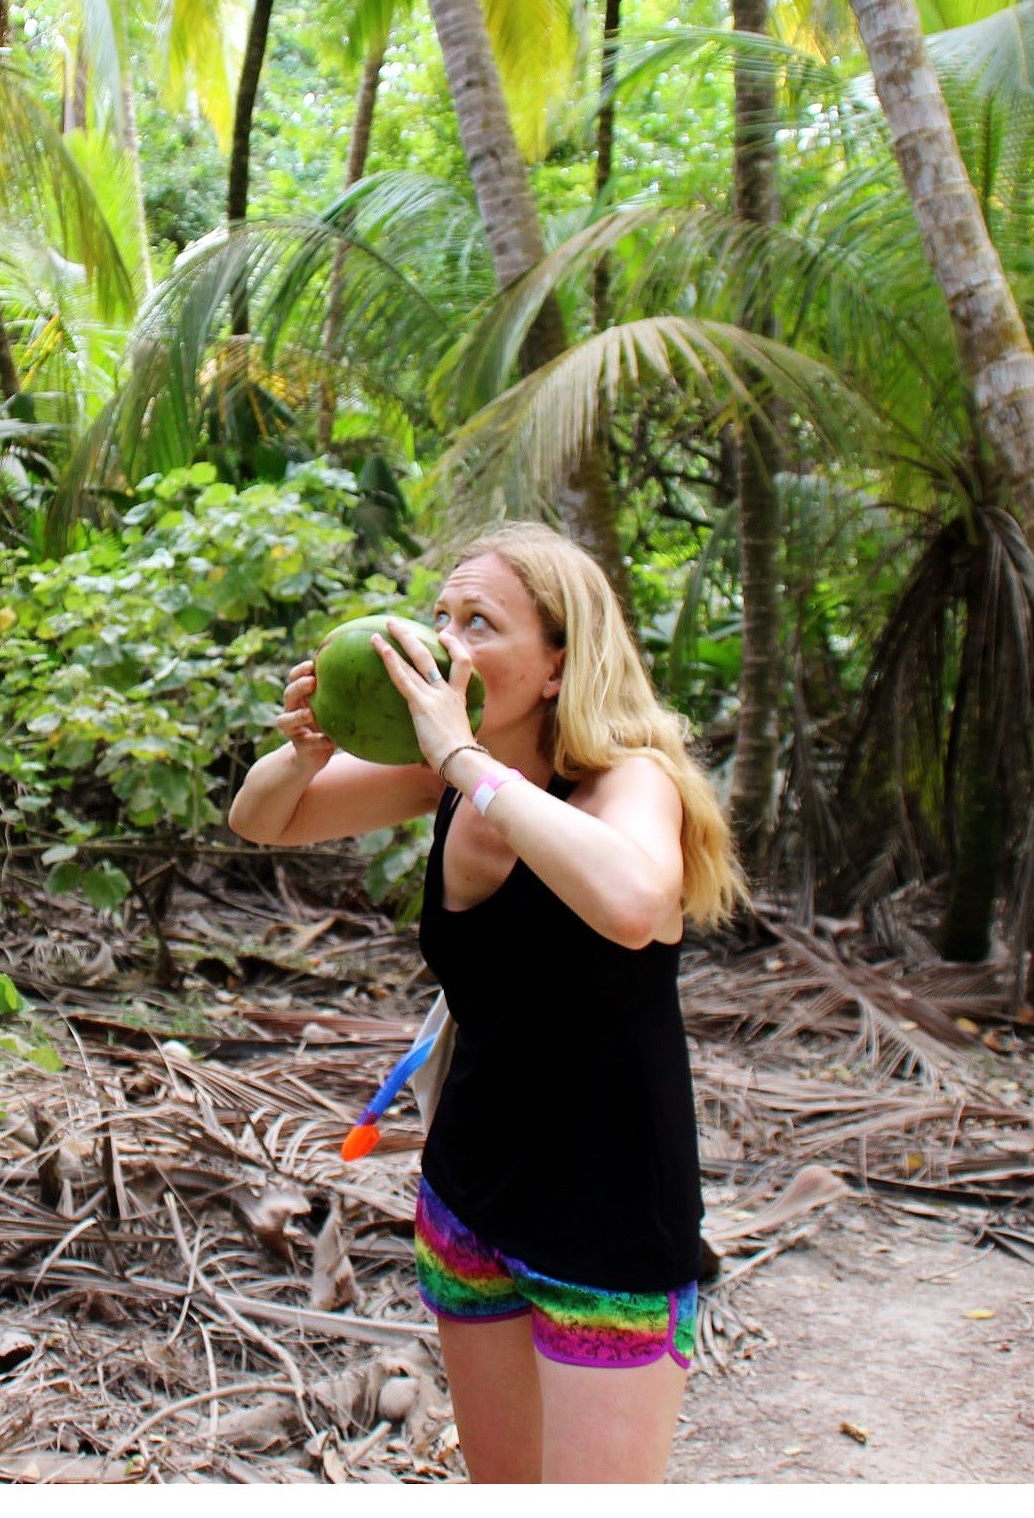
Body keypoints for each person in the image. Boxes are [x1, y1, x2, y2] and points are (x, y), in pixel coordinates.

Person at [227, 522, 743, 1482]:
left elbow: (634, 906)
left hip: (612, 1227)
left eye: (481, 622)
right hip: (469, 1205)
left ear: (556, 665)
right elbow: (263, 818)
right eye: (442, 617)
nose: (446, 642)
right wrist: (309, 745)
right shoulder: (446, 779)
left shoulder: (629, 781)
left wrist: (465, 761)